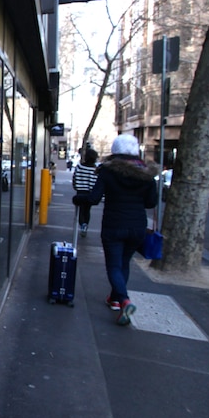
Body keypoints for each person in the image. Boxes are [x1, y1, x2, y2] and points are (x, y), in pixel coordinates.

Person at [79, 134, 158, 325]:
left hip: (114, 224)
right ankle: (115, 300)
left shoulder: (108, 171)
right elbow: (151, 202)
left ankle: (123, 300)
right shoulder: (146, 175)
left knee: (114, 265)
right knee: (124, 263)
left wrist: (79, 199)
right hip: (137, 226)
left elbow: (94, 198)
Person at [72, 148, 99, 237]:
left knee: (81, 209)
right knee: (87, 210)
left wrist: (76, 187)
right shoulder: (95, 169)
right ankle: (85, 225)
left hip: (80, 191)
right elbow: (95, 182)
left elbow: (75, 178)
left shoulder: (79, 166)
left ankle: (82, 223)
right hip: (89, 193)